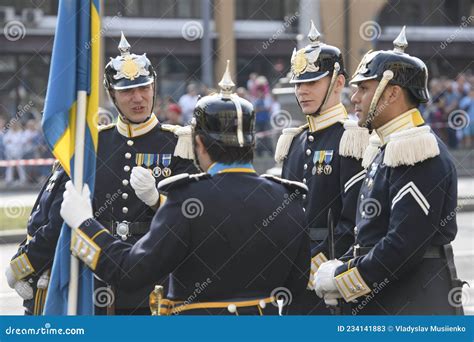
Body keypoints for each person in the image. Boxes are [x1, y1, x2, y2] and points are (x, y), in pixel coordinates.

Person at [59, 61, 310, 316]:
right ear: (253, 141)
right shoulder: (287, 198)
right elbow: (298, 292)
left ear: (199, 143)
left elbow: (131, 272)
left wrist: (84, 225)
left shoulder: (186, 199)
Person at [314, 27, 464, 315]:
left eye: (364, 88)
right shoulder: (390, 147)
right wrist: (340, 266)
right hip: (393, 300)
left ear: (392, 92)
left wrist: (342, 279)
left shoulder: (416, 149)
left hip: (412, 305)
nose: (354, 98)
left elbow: (402, 245)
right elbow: (369, 237)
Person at [274, 21, 369, 314]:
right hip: (295, 276)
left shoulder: (351, 137)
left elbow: (353, 220)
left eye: (312, 83)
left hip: (332, 276)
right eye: (298, 83)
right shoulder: (294, 140)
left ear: (339, 83)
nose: (302, 91)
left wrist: (316, 264)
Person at [5, 161, 68, 315]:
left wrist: (21, 265)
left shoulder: (72, 169)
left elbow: (55, 230)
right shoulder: (62, 165)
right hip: (40, 269)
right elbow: (38, 221)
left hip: (49, 271)